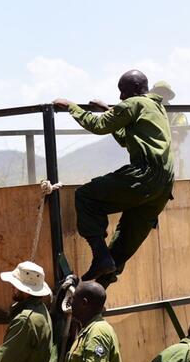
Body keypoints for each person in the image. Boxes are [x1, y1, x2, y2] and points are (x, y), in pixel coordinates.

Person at [53, 70, 175, 288]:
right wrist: (111, 111)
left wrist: (72, 107)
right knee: (123, 244)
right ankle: (99, 290)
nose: (120, 98)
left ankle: (100, 256)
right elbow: (126, 139)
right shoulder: (156, 107)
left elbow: (98, 125)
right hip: (163, 186)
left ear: (135, 89)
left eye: (123, 92)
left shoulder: (132, 104)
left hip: (145, 175)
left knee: (86, 196)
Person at [152, 81, 188, 177]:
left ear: (168, 95)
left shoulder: (177, 114)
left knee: (175, 181)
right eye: (158, 92)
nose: (160, 95)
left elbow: (180, 131)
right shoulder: (148, 112)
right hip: (151, 157)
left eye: (163, 92)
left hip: (172, 155)